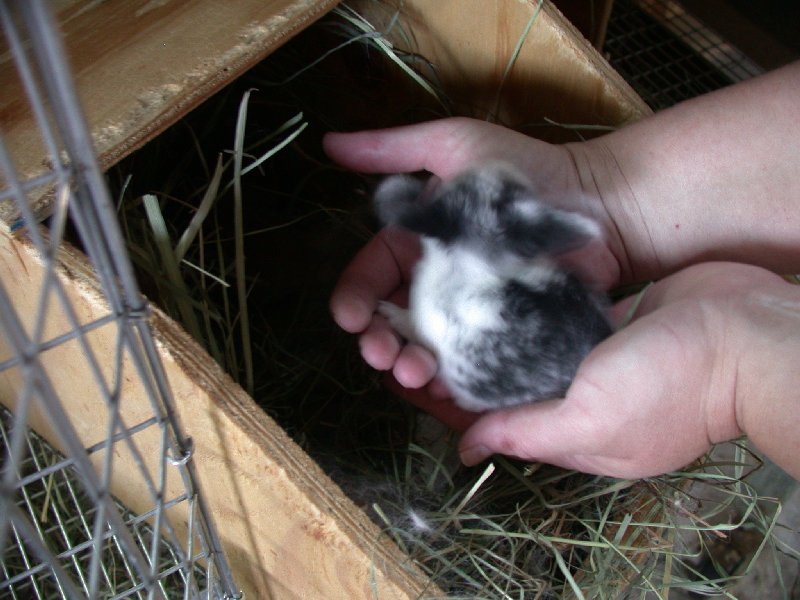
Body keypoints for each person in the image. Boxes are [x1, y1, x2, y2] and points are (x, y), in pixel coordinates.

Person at [323, 60, 800, 480]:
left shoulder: (458, 288)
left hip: (513, 346)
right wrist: (610, 203)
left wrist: (729, 364)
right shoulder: (511, 273)